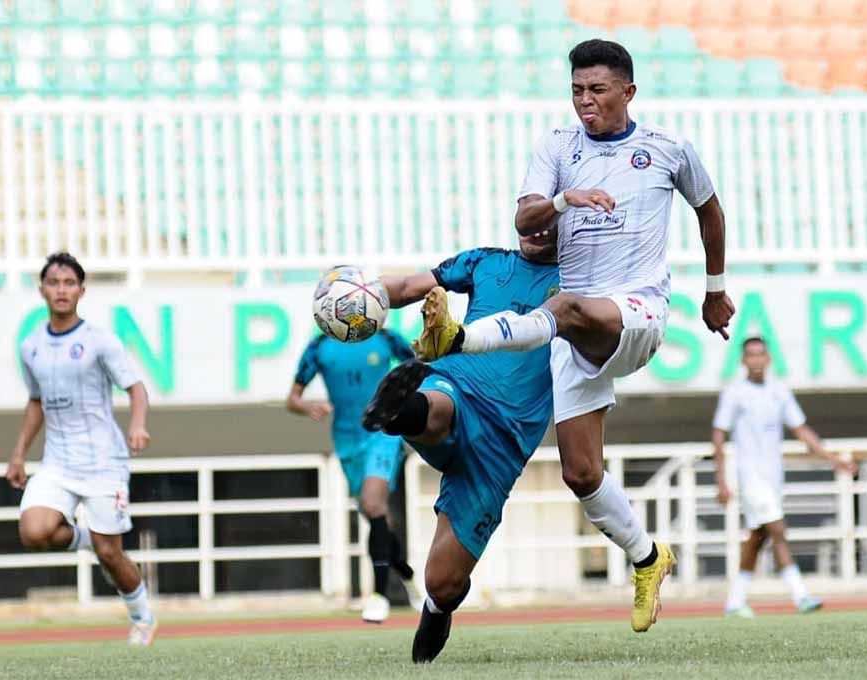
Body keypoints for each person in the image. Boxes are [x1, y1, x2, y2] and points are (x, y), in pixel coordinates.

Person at [410, 39, 735, 632]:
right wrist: (566, 197)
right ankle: (648, 557)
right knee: (581, 472)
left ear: (628, 93)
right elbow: (526, 219)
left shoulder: (666, 149)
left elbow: (709, 212)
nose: (586, 102)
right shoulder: (558, 147)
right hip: (573, 329)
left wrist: (714, 290)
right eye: (577, 91)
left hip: (635, 310)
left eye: (598, 91)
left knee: (569, 307)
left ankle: (456, 342)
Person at [360, 231, 559, 663]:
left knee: (443, 582)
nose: (536, 229)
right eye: (529, 217)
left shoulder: (582, 281)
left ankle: (436, 609)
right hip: (459, 385)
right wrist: (362, 294)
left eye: (548, 220)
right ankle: (399, 410)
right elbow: (410, 287)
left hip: (506, 438)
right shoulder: (485, 262)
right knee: (435, 410)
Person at [5, 252, 157, 646]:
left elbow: (135, 387)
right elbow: (36, 401)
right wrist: (19, 453)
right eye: (54, 283)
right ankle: (86, 537)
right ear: (42, 290)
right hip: (57, 461)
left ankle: (142, 618)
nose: (61, 290)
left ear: (82, 291)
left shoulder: (99, 341)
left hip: (104, 461)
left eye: (69, 283)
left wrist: (138, 424)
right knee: (33, 531)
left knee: (112, 554)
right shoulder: (31, 346)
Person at [712, 337, 858, 617]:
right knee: (778, 529)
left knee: (758, 536)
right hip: (750, 475)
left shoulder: (779, 391)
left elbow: (801, 430)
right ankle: (800, 595)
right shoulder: (734, 393)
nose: (756, 360)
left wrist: (834, 460)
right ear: (743, 360)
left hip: (773, 476)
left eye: (760, 355)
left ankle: (735, 601)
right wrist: (721, 480)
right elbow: (719, 433)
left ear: (768, 359)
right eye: (750, 355)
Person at [289, 317, 422, 622]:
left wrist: (408, 401)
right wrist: (307, 406)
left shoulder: (387, 339)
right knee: (377, 519)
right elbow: (292, 397)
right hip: (347, 440)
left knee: (374, 504)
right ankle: (407, 574)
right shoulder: (318, 347)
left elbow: (420, 368)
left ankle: (378, 596)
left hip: (382, 433)